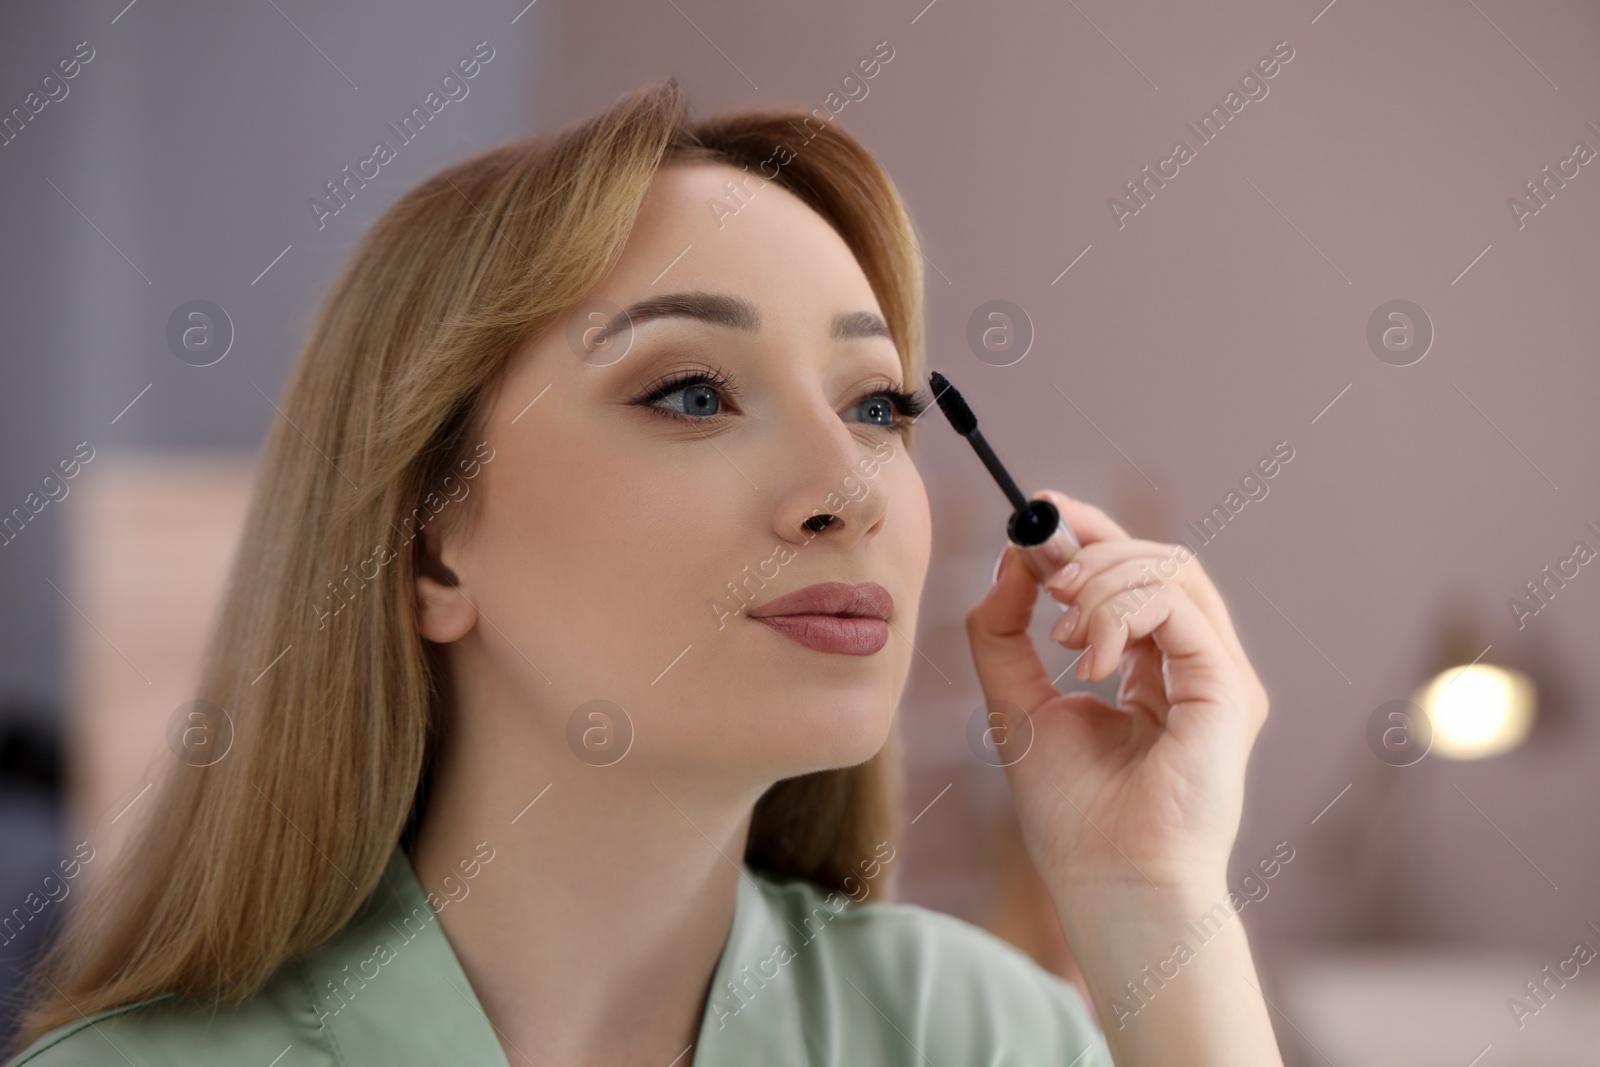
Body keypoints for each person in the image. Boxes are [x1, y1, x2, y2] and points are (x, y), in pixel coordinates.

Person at [5, 77, 1283, 1066]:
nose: (849, 486)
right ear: (431, 546)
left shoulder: (973, 1028)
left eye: (879, 406)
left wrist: (1152, 898)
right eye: (690, 391)